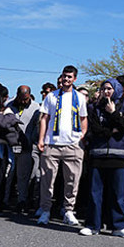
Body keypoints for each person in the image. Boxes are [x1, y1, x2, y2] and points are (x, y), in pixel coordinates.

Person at [79, 78, 124, 238]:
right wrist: (111, 131)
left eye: (110, 88)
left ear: (116, 90)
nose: (107, 91)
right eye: (104, 89)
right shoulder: (93, 108)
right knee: (95, 193)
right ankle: (93, 225)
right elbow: (95, 130)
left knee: (117, 194)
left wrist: (113, 112)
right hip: (98, 154)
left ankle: (119, 226)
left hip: (119, 156)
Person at [37, 65, 88, 226]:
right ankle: (45, 210)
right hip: (52, 143)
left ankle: (68, 210)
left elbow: (83, 118)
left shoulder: (79, 97)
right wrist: (41, 139)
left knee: (72, 181)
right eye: (64, 76)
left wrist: (82, 135)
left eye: (69, 77)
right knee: (47, 180)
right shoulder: (51, 96)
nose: (66, 79)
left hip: (73, 145)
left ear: (74, 79)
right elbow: (44, 118)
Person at [3, 85, 40, 214]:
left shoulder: (36, 108)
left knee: (23, 176)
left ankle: (21, 200)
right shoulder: (8, 105)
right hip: (9, 145)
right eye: (21, 98)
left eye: (26, 99)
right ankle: (4, 200)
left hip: (26, 146)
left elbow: (37, 127)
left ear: (29, 95)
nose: (23, 101)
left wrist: (31, 140)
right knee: (7, 174)